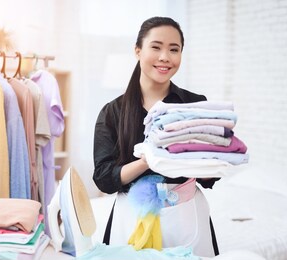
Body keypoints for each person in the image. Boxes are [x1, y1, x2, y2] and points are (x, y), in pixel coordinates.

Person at [93, 16, 220, 257]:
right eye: (156, 47)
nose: (165, 57)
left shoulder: (195, 105)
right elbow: (104, 179)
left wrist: (208, 164)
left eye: (174, 49)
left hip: (186, 214)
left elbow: (209, 175)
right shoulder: (113, 112)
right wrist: (148, 160)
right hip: (130, 215)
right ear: (138, 50)